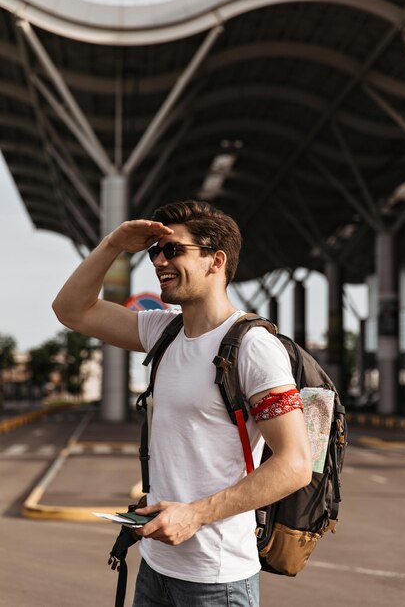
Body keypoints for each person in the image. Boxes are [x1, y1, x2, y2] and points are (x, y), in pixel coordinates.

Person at [52, 200, 312, 607]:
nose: (158, 261)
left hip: (216, 580)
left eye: (173, 250)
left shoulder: (253, 347)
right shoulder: (163, 331)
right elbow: (70, 309)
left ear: (216, 260)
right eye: (155, 251)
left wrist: (195, 515)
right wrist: (114, 243)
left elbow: (294, 464)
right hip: (156, 568)